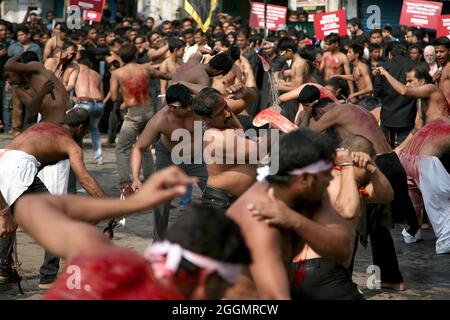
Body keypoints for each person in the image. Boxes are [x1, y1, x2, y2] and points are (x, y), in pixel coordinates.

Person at [12, 167, 251, 300]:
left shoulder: (104, 260)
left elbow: (29, 207)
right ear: (208, 279)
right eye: (224, 288)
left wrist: (134, 204)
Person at [298, 85, 420, 290]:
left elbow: (303, 134)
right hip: (391, 162)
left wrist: (307, 110)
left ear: (319, 109)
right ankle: (391, 278)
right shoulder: (354, 108)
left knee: (354, 221)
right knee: (377, 225)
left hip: (373, 164)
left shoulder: (333, 113)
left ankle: (342, 281)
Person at [253, 137, 393, 300]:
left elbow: (386, 195)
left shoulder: (331, 181)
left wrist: (373, 169)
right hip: (321, 270)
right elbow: (347, 210)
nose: (368, 173)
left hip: (293, 269)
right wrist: (348, 165)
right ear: (357, 160)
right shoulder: (337, 179)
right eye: (366, 166)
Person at [225, 128, 352, 299]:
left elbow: (342, 249)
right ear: (304, 179)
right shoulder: (260, 219)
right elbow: (274, 297)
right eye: (327, 175)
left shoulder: (311, 194)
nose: (330, 181)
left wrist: (295, 220)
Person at [0, 108, 106, 289]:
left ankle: (3, 270)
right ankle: (48, 277)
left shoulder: (43, 127)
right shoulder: (71, 145)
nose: (85, 135)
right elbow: (85, 179)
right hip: (19, 168)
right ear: (81, 127)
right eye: (86, 131)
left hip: (3, 159)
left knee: (10, 219)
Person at [131, 84, 208, 240]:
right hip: (169, 157)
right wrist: (135, 178)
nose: (188, 109)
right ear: (172, 107)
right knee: (160, 199)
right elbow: (138, 147)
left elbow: (212, 93)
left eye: (190, 104)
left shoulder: (197, 105)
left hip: (198, 158)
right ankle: (158, 242)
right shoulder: (160, 120)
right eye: (184, 107)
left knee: (215, 192)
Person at [110, 44, 171, 187]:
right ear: (136, 55)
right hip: (148, 111)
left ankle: (125, 181)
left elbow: (113, 97)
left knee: (122, 148)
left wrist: (124, 95)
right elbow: (165, 75)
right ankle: (150, 179)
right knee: (144, 146)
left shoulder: (117, 73)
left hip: (133, 114)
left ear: (121, 57)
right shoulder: (146, 68)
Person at [191, 86, 261, 210]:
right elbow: (260, 150)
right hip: (221, 204)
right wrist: (275, 126)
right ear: (206, 119)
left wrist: (246, 92)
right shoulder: (215, 137)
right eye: (220, 112)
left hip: (238, 200)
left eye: (226, 106)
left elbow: (251, 98)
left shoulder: (222, 113)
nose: (228, 113)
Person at [398, 118, 450, 254]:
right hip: (424, 164)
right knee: (442, 205)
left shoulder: (437, 121)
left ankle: (411, 233)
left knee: (415, 204)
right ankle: (446, 242)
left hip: (405, 159)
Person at [374, 65, 449, 131]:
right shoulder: (420, 98)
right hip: (432, 135)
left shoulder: (430, 88)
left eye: (410, 81)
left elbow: (404, 91)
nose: (407, 85)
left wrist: (385, 73)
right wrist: (400, 147)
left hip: (442, 133)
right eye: (407, 82)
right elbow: (417, 127)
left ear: (422, 80)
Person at [5, 51, 72, 124]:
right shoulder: (19, 90)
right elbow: (33, 111)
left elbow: (8, 65)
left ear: (17, 70)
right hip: (51, 123)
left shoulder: (37, 68)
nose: (9, 81)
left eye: (8, 76)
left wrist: (19, 55)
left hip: (69, 119)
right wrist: (41, 93)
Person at [373, 42, 416, 147]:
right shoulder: (415, 66)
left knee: (383, 149)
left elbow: (377, 92)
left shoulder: (383, 67)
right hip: (408, 117)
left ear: (390, 54)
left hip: (387, 116)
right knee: (403, 151)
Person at [73, 57, 104, 165]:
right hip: (98, 104)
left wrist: (73, 99)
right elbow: (102, 94)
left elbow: (69, 86)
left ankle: (76, 157)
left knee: (77, 130)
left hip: (84, 103)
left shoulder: (76, 71)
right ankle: (98, 158)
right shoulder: (97, 74)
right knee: (95, 130)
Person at [433, 37, 450, 104]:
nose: (438, 55)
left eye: (441, 51)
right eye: (436, 52)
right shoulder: (441, 68)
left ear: (449, 51)